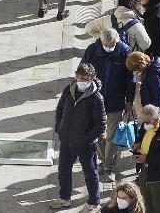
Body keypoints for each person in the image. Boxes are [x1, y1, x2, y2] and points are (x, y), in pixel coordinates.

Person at [53, 63, 106, 211]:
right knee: (63, 170)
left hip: (85, 144)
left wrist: (85, 139)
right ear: (76, 75)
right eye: (82, 77)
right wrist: (59, 128)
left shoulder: (96, 98)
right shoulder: (67, 90)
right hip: (66, 140)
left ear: (92, 79)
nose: (84, 81)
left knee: (90, 173)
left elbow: (100, 125)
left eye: (87, 79)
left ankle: (94, 202)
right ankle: (64, 198)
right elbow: (60, 110)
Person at [82, 27, 132, 183]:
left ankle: (109, 167)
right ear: (101, 41)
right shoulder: (92, 50)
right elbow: (83, 72)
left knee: (111, 136)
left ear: (117, 40)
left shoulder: (124, 51)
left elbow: (130, 78)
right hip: (95, 101)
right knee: (98, 134)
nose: (110, 47)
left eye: (112, 44)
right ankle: (104, 161)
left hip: (115, 102)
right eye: (106, 44)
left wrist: (129, 100)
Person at [133, 104, 160, 213]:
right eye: (143, 121)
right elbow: (142, 131)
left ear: (156, 119)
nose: (145, 124)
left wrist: (147, 158)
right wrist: (138, 141)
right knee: (146, 204)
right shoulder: (148, 122)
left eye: (147, 122)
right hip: (145, 172)